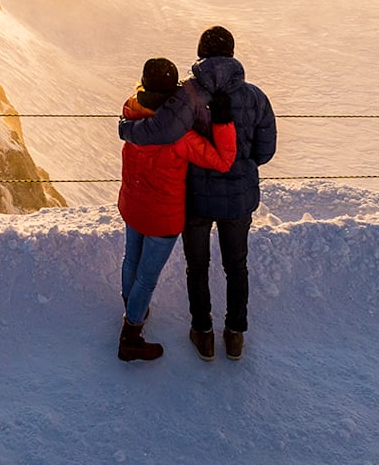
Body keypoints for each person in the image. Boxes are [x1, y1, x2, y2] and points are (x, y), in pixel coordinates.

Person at [114, 57, 237, 362]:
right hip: (162, 217)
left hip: (132, 204)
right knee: (147, 277)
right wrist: (222, 121)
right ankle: (131, 336)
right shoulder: (180, 136)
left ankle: (132, 308)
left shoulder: (131, 114)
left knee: (131, 260)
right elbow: (223, 160)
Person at [182, 26, 277, 361]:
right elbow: (265, 151)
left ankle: (202, 332)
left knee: (197, 265)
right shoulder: (255, 97)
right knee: (236, 266)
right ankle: (235, 335)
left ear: (201, 54)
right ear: (232, 54)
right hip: (238, 196)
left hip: (195, 195)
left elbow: (172, 140)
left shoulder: (187, 95)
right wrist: (241, 164)